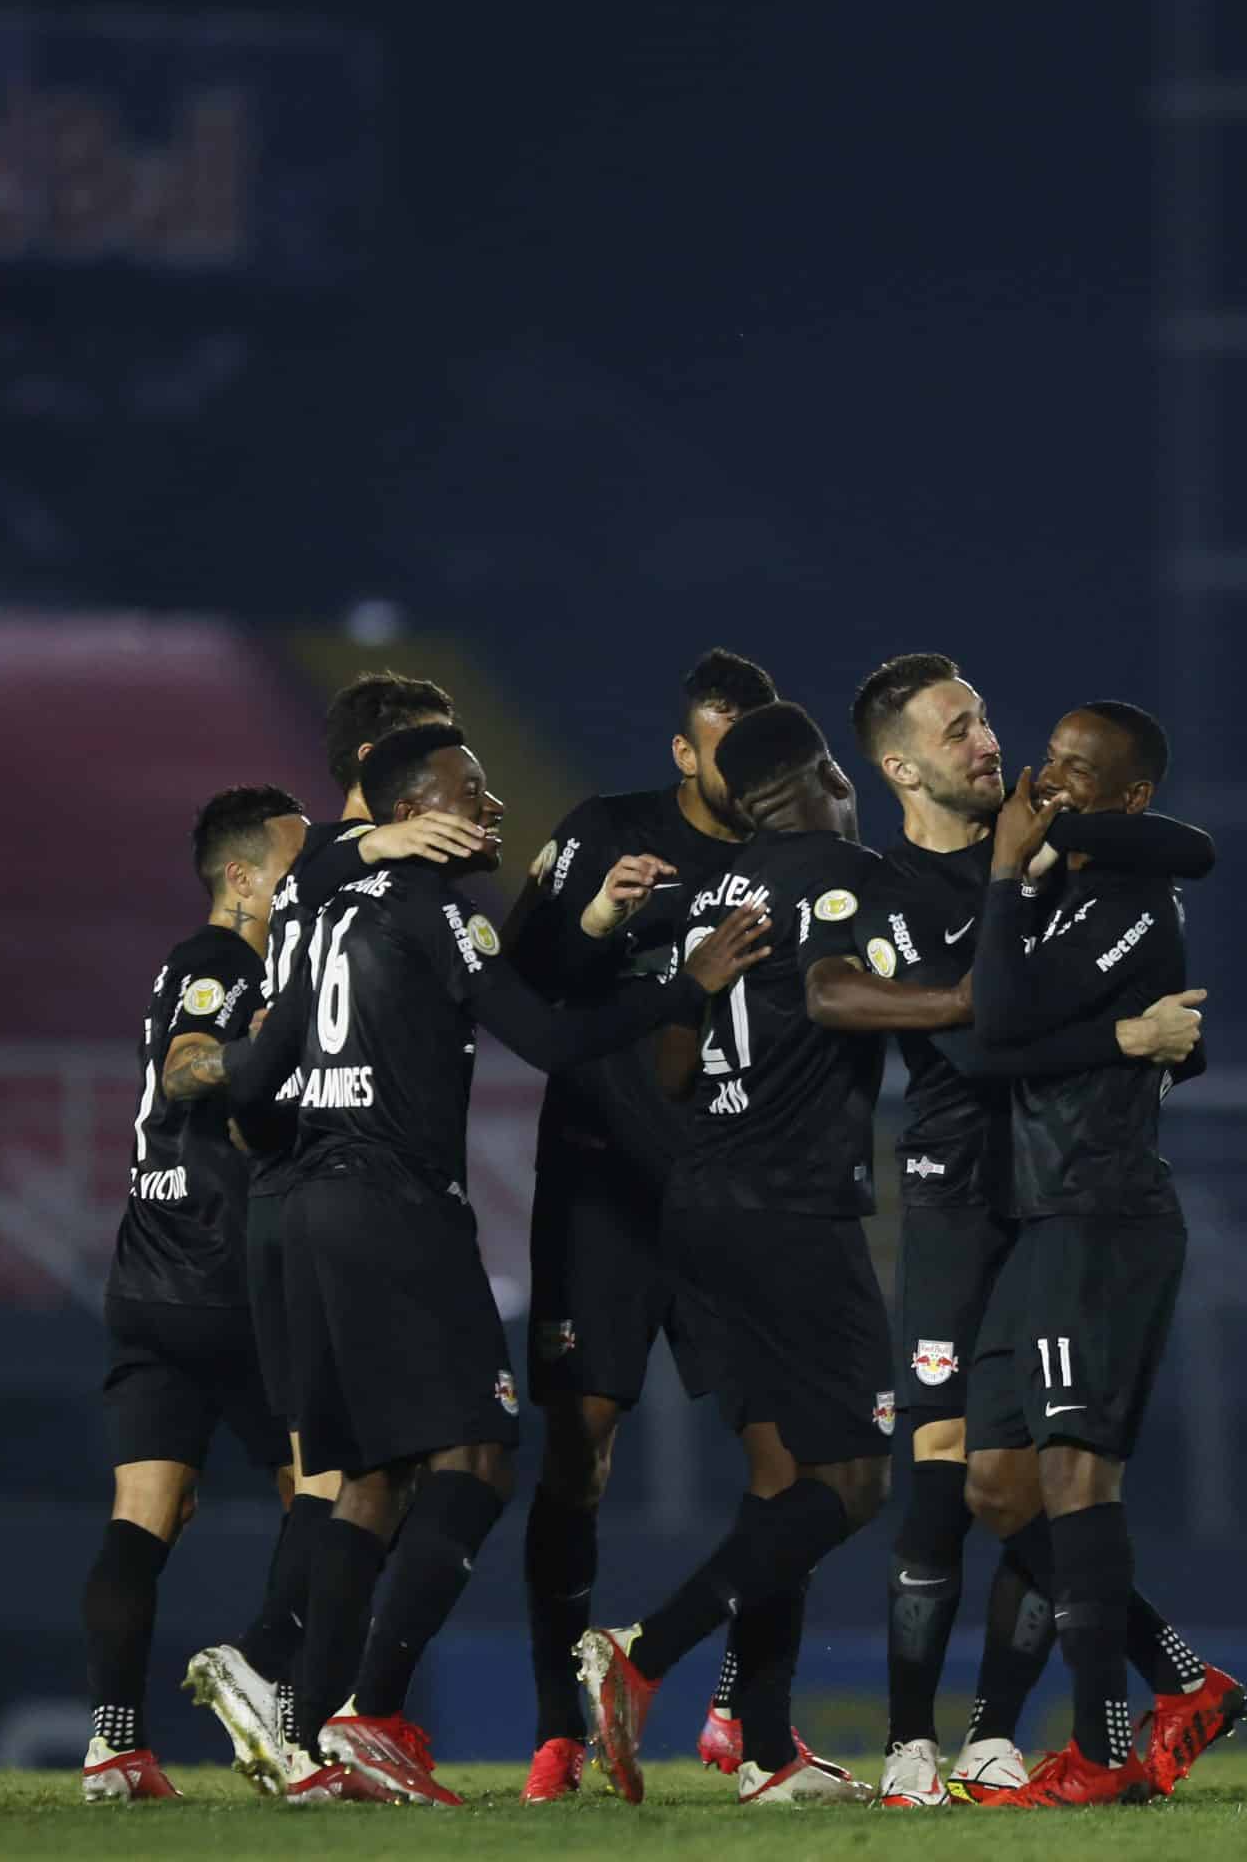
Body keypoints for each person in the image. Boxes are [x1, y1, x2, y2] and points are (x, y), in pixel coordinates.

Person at [230, 722, 772, 1805]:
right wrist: (689, 979)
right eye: (463, 792)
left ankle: (308, 1736)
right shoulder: (435, 911)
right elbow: (556, 1040)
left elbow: (293, 932)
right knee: (477, 1459)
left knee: (369, 1480)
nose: (488, 809)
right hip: (393, 1207)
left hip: (302, 1206)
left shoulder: (309, 907)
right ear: (405, 814)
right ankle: (368, 1714)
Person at [847, 657, 1213, 1808]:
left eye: (987, 720)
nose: (991, 744)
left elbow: (1185, 852)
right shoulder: (896, 888)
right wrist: (1125, 1037)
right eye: (960, 728)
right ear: (901, 765)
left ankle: (1013, 1736)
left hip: (1069, 1202)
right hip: (961, 1200)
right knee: (972, 1480)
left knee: (1052, 1472)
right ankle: (940, 1734)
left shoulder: (1070, 863)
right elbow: (974, 1044)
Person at [582, 701, 911, 1808]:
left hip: (700, 1204)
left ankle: (766, 1750)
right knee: (856, 1481)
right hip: (793, 1211)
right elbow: (848, 995)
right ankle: (642, 1654)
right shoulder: (850, 874)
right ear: (823, 772)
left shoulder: (708, 896)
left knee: (780, 1487)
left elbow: (672, 1070)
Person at [184, 671, 484, 1789]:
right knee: (397, 1463)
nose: (463, 775)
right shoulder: (351, 880)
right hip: (345, 1199)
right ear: (386, 770)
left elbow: (265, 1070)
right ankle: (286, 1677)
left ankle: (292, 1700)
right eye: (439, 754)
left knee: (350, 1470)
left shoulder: (339, 883)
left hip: (300, 1194)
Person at [499, 646, 780, 1800]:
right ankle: (556, 1727)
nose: (749, 775)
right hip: (601, 1190)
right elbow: (520, 982)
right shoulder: (603, 831)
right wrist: (608, 924)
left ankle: (746, 1717)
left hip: (736, 1193)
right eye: (726, 752)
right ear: (683, 751)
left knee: (792, 1458)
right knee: (579, 1453)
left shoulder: (793, 855)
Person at [961, 709, 1245, 1807]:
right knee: (996, 1484)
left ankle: (1100, 1748)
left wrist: (999, 878)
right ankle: (1184, 1681)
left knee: (1078, 1477)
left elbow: (994, 1022)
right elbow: (1006, 1034)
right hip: (1039, 1215)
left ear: (1125, 800)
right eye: (1050, 761)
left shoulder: (1126, 897)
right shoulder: (1059, 892)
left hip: (1102, 1213)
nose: (1051, 783)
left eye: (1081, 774)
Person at [80, 786, 308, 1802]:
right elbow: (184, 1068)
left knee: (145, 1511)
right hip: (228, 1277)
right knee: (329, 1489)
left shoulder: (185, 961)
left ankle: (114, 1747)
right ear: (241, 877)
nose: (309, 885)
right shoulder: (226, 963)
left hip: (146, 1271)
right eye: (294, 866)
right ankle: (284, 1715)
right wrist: (256, 1054)